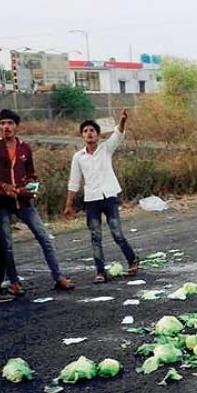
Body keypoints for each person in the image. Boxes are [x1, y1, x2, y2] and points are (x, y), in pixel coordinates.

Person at [0, 109, 75, 293]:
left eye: (9, 123)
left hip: (24, 202)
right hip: (2, 203)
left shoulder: (25, 148)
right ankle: (14, 282)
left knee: (44, 237)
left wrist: (32, 188)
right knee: (6, 244)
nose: (5, 127)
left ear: (16, 126)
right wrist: (4, 187)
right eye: (2, 124)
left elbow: (32, 175)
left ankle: (58, 277)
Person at [63, 110, 139, 284]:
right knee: (95, 236)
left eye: (92, 130)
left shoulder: (106, 149)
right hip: (91, 200)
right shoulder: (78, 157)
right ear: (82, 135)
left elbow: (118, 134)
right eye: (85, 131)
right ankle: (100, 271)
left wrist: (122, 121)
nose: (89, 133)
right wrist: (69, 204)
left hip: (109, 196)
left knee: (117, 233)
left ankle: (132, 260)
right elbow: (74, 182)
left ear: (97, 135)